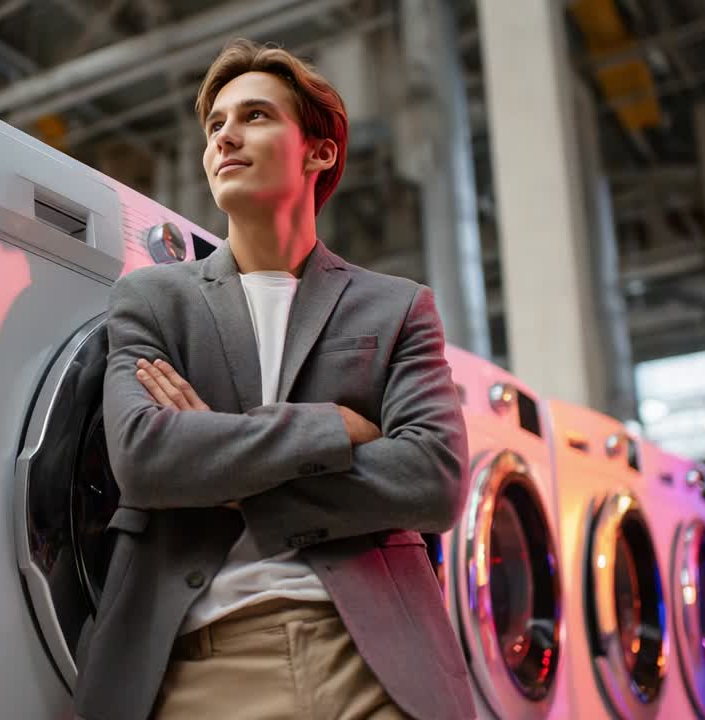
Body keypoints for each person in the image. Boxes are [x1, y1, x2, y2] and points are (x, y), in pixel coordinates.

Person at [74, 38, 476, 720]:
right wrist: (334, 429)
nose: (226, 136)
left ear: (319, 152)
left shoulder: (397, 305)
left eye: (255, 116)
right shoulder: (151, 299)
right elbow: (145, 459)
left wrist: (222, 472)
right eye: (215, 126)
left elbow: (433, 478)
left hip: (376, 659)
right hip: (201, 660)